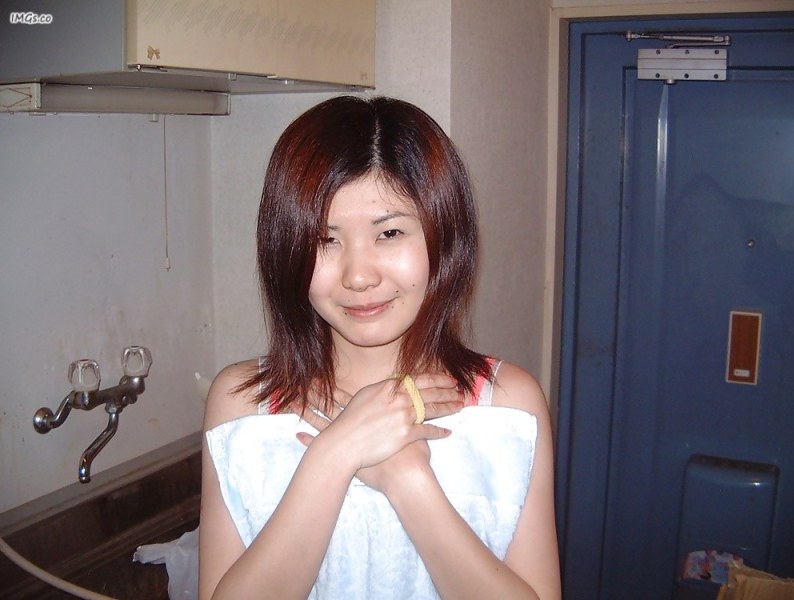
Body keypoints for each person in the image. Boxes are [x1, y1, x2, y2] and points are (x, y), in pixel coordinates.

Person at [199, 95, 560, 600]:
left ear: (443, 237)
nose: (358, 276)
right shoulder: (243, 403)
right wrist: (335, 454)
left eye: (389, 232)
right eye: (326, 239)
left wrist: (407, 480)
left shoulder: (508, 405)